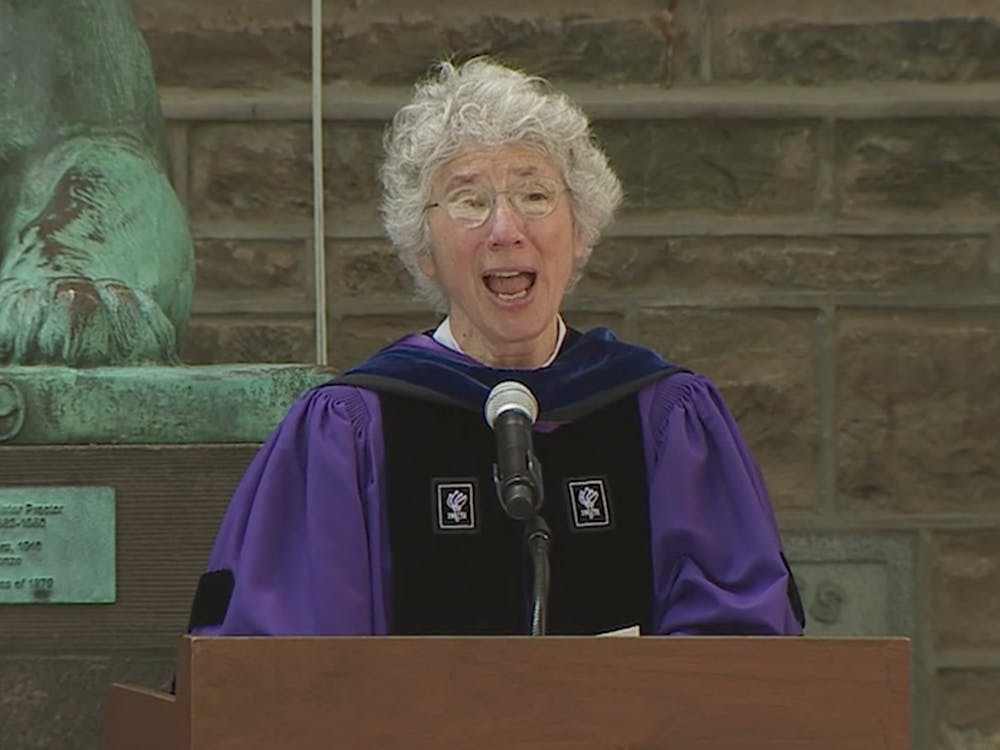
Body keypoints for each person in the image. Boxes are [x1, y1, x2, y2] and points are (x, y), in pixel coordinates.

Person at [186, 57, 804, 638]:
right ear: (423, 249)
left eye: (534, 195)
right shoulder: (351, 430)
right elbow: (286, 667)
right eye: (470, 201)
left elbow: (737, 647)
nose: (506, 231)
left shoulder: (662, 416)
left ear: (580, 231)